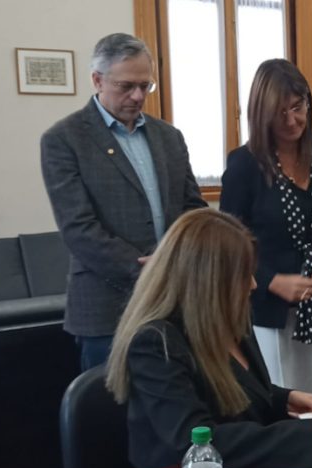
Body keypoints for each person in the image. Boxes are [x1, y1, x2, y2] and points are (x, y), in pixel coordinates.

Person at [105, 208, 312, 468]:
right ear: (208, 281)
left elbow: (233, 390)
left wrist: (283, 398)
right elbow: (197, 441)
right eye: (244, 275)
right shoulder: (155, 344)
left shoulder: (230, 323)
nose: (254, 285)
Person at [41, 33, 206, 370]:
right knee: (108, 402)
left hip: (175, 304)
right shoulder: (63, 140)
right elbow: (79, 229)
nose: (138, 96)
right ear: (97, 80)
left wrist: (192, 256)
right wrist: (149, 269)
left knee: (178, 397)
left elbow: (192, 208)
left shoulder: (169, 137)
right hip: (106, 308)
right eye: (126, 86)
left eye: (146, 86)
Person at [220, 59, 312, 406]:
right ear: (261, 114)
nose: (292, 121)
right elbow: (228, 245)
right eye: (280, 113)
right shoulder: (244, 164)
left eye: (297, 107)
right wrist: (272, 281)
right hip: (268, 310)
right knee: (280, 406)